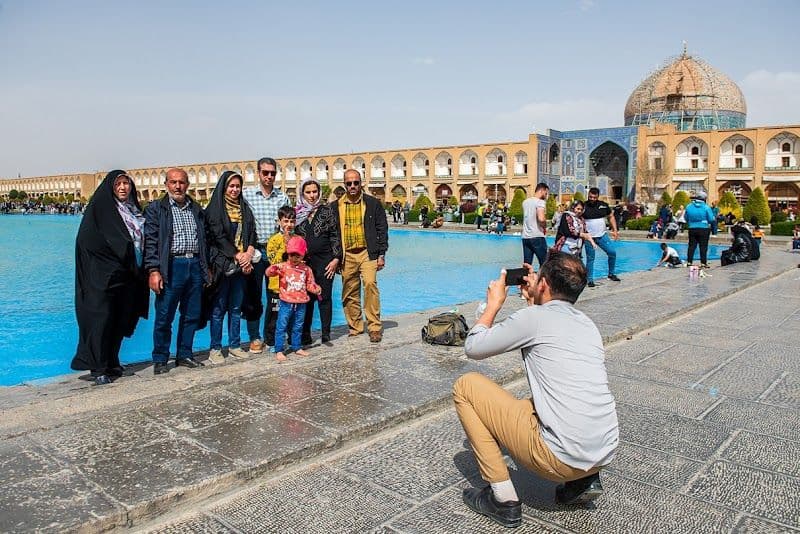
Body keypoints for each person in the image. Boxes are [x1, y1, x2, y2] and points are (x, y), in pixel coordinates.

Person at [454, 253, 619, 528]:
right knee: (553, 397)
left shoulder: (534, 319)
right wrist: (534, 301)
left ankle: (503, 499)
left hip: (560, 458)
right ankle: (582, 481)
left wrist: (493, 305)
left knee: (466, 386)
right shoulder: (586, 325)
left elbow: (474, 347)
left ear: (542, 284)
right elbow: (544, 326)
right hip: (603, 453)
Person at [72, 170, 149, 385]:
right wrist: (114, 261)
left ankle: (112, 361)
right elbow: (88, 242)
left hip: (127, 276)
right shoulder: (100, 210)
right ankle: (98, 367)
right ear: (110, 188)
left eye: (126, 183)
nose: (123, 188)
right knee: (102, 320)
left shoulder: (132, 210)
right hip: (102, 279)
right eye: (119, 184)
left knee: (120, 318)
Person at [144, 168, 209, 374]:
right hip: (171, 266)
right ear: (166, 184)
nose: (178, 186)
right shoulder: (157, 209)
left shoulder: (196, 209)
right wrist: (154, 270)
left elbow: (205, 239)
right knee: (165, 315)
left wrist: (206, 268)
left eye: (181, 182)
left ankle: (184, 354)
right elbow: (151, 241)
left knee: (191, 314)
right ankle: (161, 358)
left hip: (194, 264)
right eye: (173, 182)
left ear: (187, 185)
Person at [204, 171, 258, 364]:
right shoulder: (215, 210)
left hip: (240, 267)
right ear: (224, 188)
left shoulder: (244, 209)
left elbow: (252, 232)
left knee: (235, 307)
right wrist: (237, 255)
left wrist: (248, 254)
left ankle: (234, 345)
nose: (235, 190)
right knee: (218, 308)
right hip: (222, 265)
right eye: (231, 186)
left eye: (237, 186)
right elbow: (218, 237)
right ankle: (215, 348)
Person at [331, 169, 389, 342]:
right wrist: (335, 257)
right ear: (345, 184)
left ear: (361, 183)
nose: (353, 186)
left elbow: (382, 229)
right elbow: (332, 233)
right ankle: (355, 326)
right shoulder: (336, 206)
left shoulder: (372, 204)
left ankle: (374, 327)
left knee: (370, 285)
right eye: (349, 183)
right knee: (349, 291)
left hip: (367, 252)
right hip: (347, 254)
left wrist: (381, 254)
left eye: (356, 182)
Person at [241, 157, 290, 354]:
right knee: (253, 295)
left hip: (277, 252)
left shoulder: (282, 197)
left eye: (272, 173)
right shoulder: (247, 195)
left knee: (275, 297)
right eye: (265, 172)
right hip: (256, 250)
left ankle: (271, 337)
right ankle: (254, 337)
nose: (269, 176)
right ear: (258, 173)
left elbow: (287, 223)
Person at [295, 178, 342, 345]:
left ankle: (325, 333)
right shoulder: (297, 213)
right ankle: (305, 333)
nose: (312, 195)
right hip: (304, 264)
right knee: (306, 298)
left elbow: (335, 235)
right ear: (302, 193)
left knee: (324, 296)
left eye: (314, 191)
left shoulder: (326, 211)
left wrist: (336, 258)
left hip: (325, 262)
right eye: (308, 192)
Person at [265, 236, 321, 362]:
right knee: (281, 326)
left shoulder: (306, 269)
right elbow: (269, 273)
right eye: (291, 255)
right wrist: (272, 269)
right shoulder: (283, 267)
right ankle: (279, 349)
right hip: (286, 302)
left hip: (301, 303)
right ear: (287, 254)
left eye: (298, 256)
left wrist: (316, 289)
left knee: (298, 326)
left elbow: (310, 284)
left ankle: (296, 346)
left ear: (303, 255)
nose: (294, 258)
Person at [265, 206, 297, 348]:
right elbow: (274, 261)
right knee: (275, 315)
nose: (288, 224)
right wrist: (285, 244)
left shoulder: (298, 239)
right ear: (279, 222)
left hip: (293, 286)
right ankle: (270, 340)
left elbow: (301, 259)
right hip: (277, 286)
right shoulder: (273, 240)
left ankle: (292, 339)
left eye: (291, 221)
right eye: (285, 221)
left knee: (292, 315)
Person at [583, 187, 620, 288]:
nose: (592, 199)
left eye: (594, 197)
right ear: (588, 195)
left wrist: (615, 230)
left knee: (612, 252)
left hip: (602, 236)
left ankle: (611, 274)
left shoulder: (603, 206)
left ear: (598, 197)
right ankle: (589, 279)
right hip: (589, 238)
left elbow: (611, 216)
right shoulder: (583, 206)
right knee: (591, 258)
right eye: (590, 197)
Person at [521, 183, 549, 270]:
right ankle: (542, 282)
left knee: (527, 265)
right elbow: (541, 218)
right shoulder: (540, 202)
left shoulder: (525, 202)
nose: (546, 195)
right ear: (542, 190)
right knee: (545, 263)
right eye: (546, 193)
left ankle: (525, 282)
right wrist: (544, 226)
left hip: (525, 237)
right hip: (537, 236)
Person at [684, 191, 715, 269]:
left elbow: (686, 218)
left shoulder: (688, 206)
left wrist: (691, 222)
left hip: (692, 228)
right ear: (704, 199)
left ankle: (689, 262)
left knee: (691, 246)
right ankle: (703, 263)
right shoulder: (706, 207)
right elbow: (711, 219)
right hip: (704, 228)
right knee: (703, 246)